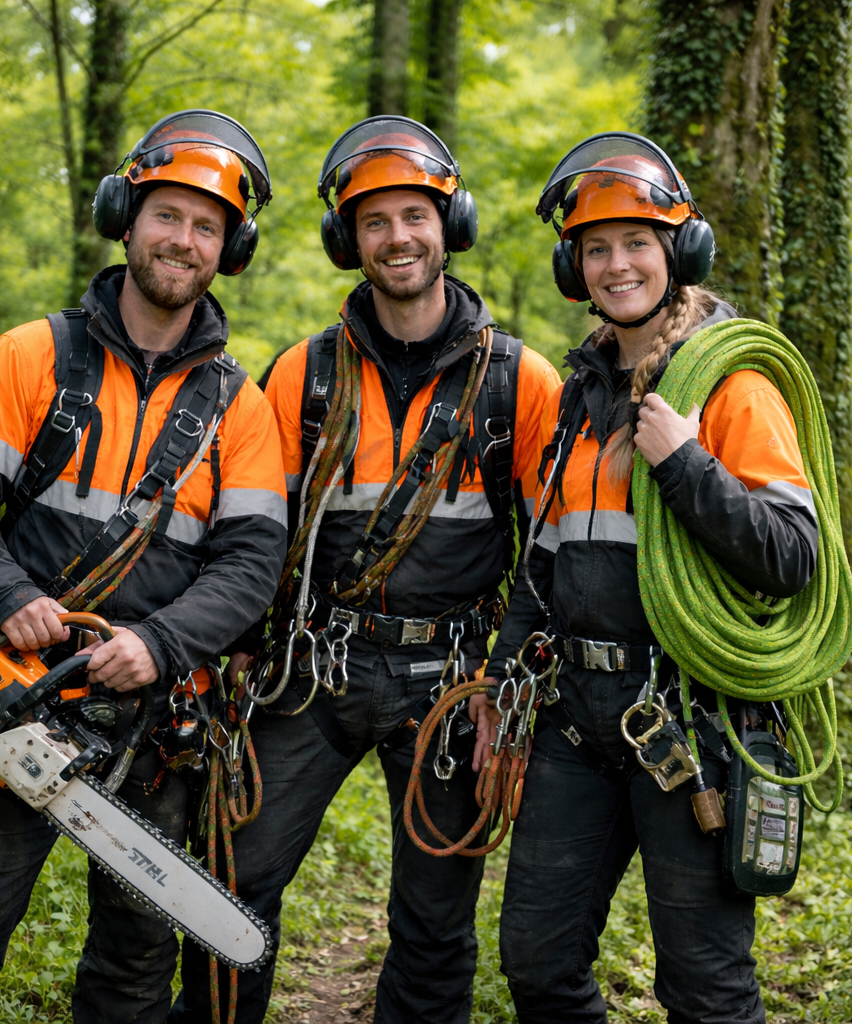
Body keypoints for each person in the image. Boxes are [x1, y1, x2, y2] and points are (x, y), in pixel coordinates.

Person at [0, 110, 287, 1024]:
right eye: (167, 216)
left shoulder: (243, 409)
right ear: (126, 216)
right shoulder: (34, 354)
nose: (183, 239)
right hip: (20, 695)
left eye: (206, 225)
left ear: (230, 248)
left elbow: (252, 562)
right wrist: (9, 595)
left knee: (134, 970)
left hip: (157, 720)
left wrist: (161, 642)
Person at [172, 116, 560, 1024]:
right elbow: (252, 536)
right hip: (314, 670)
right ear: (349, 238)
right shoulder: (299, 374)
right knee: (230, 884)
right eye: (374, 220)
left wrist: (508, 683)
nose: (398, 238)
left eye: (414, 216)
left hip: (452, 679)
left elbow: (549, 549)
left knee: (434, 925)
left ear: (448, 224)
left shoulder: (521, 381)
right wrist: (235, 652)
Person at [486, 132, 821, 1024]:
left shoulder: (735, 382)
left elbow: (793, 556)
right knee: (536, 959)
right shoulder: (581, 389)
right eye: (596, 248)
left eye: (637, 242)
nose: (616, 264)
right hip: (573, 721)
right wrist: (500, 681)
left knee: (705, 988)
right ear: (574, 265)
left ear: (680, 250)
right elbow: (546, 553)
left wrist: (685, 463)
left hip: (690, 722)